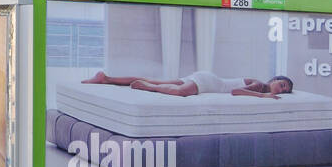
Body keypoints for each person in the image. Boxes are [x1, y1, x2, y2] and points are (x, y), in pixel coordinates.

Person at [82, 69, 293, 99]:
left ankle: (106, 78)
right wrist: (263, 96)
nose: (281, 90)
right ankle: (148, 87)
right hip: (208, 83)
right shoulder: (259, 85)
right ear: (273, 81)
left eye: (285, 90)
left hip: (206, 77)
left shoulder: (258, 84)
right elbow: (236, 91)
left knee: (158, 79)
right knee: (181, 92)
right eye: (282, 85)